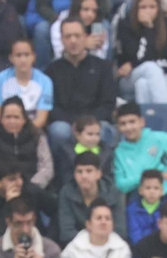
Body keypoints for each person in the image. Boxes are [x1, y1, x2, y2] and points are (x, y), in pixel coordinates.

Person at [45, 19, 116, 172]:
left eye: (77, 36)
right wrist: (76, 125)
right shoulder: (52, 70)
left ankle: (104, 178)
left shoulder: (103, 67)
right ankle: (62, 180)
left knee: (105, 130)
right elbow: (50, 106)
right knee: (58, 131)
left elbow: (108, 103)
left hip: (95, 122)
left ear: (85, 37)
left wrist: (88, 125)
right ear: (62, 40)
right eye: (68, 36)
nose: (73, 41)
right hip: (66, 123)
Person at [111, 101, 167, 199]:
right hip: (140, 195)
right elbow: (121, 185)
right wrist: (146, 179)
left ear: (142, 122)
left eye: (132, 122)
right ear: (118, 127)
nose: (128, 127)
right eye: (123, 124)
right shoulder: (119, 152)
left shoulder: (158, 138)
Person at [112, 0, 167, 104]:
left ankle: (146, 117)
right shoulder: (125, 25)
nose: (147, 11)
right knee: (150, 67)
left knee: (142, 84)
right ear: (136, 9)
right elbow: (131, 55)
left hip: (164, 75)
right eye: (143, 7)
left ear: (158, 8)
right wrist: (147, 29)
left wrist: (133, 64)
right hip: (130, 77)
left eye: (152, 7)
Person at [58, 149, 124, 243]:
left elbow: (120, 231)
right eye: (79, 172)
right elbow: (66, 232)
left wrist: (98, 241)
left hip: (110, 245)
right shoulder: (66, 193)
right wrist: (92, 242)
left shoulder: (113, 193)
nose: (84, 176)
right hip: (79, 247)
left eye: (89, 171)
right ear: (74, 175)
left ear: (98, 174)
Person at [0, 37, 54, 128]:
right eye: (18, 55)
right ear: (11, 58)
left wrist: (24, 134)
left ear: (33, 57)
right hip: (3, 131)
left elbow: (41, 119)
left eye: (27, 55)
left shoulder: (45, 81)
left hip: (32, 131)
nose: (23, 60)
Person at [0, 194, 61, 258]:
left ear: (34, 220)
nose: (25, 230)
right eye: (18, 224)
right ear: (8, 223)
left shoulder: (51, 250)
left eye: (29, 222)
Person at [60, 198, 131, 258]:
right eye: (99, 218)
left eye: (107, 218)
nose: (103, 222)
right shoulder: (73, 249)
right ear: (88, 224)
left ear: (112, 225)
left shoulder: (122, 249)